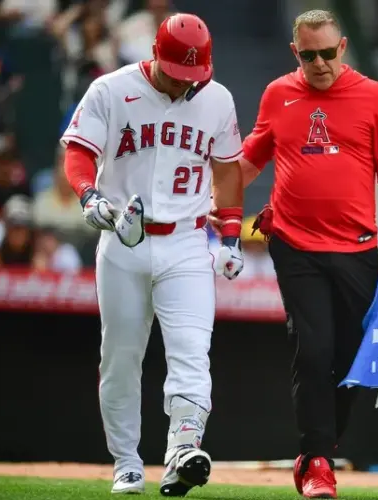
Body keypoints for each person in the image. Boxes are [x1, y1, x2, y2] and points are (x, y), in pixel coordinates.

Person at [59, 13, 245, 496]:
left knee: (192, 352)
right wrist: (87, 195)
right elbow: (78, 152)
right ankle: (126, 460)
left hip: (186, 239)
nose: (185, 84)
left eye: (194, 75)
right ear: (156, 56)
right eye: (177, 73)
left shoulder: (217, 99)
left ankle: (183, 450)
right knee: (121, 357)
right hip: (123, 238)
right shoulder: (110, 89)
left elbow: (226, 171)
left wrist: (229, 236)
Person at [239, 10, 378, 499]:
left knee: (351, 359)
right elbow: (252, 158)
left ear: (342, 48)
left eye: (327, 53)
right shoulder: (279, 93)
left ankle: (320, 446)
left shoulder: (373, 95)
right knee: (314, 350)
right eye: (308, 55)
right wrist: (216, 206)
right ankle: (317, 460)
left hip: (358, 247)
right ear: (296, 53)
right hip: (295, 244)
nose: (319, 63)